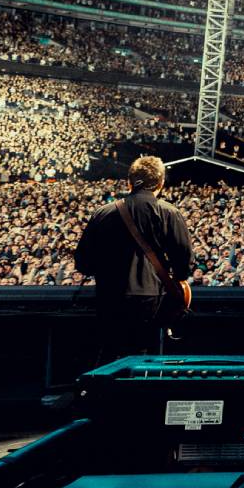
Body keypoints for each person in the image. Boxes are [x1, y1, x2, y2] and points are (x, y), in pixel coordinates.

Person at [73, 155, 194, 366]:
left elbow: (83, 262)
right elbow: (183, 260)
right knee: (146, 357)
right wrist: (177, 278)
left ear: (129, 182)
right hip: (153, 298)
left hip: (110, 295)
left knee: (109, 354)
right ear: (161, 183)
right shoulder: (169, 213)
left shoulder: (102, 213)